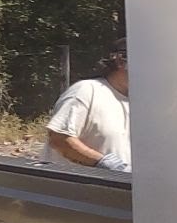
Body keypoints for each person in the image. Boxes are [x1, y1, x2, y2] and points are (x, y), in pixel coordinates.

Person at [41, 41, 130, 173]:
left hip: (120, 184)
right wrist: (101, 162)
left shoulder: (140, 102)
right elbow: (59, 138)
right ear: (120, 61)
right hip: (75, 184)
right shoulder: (86, 91)